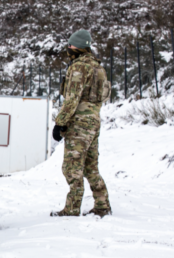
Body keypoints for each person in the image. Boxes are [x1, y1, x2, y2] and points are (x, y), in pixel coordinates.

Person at [51, 29, 112, 218]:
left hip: (79, 124)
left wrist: (60, 122)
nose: (68, 48)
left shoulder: (79, 67)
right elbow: (105, 95)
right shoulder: (98, 68)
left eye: (71, 45)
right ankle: (102, 205)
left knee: (72, 166)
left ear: (79, 46)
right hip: (94, 120)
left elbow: (72, 98)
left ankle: (72, 208)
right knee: (91, 167)